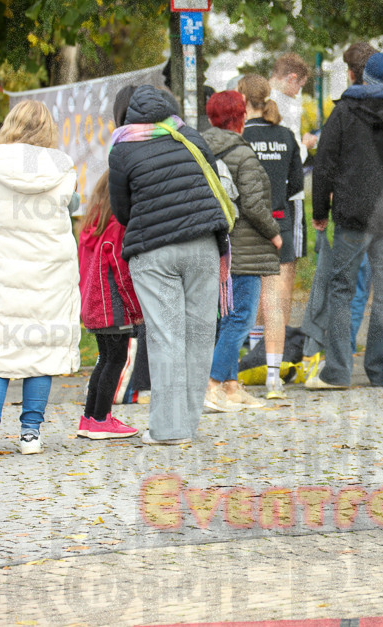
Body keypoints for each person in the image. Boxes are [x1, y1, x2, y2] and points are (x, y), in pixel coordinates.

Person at [108, 84, 231, 446]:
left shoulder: (123, 147)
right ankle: (187, 425)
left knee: (166, 337)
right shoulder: (189, 137)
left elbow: (122, 211)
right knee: (198, 336)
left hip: (154, 252)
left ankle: (167, 430)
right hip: (203, 247)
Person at [307, 51, 383, 389]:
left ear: (363, 77)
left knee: (342, 290)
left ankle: (338, 372)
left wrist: (319, 213)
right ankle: (378, 370)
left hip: (352, 218)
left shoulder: (342, 113)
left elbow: (324, 165)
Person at [0, 101, 81, 459]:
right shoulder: (64, 167)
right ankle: (30, 434)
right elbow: (73, 205)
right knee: (40, 351)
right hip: (49, 274)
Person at [203, 90, 282, 408]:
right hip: (247, 246)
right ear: (241, 118)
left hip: (220, 243)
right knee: (242, 317)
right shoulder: (242, 154)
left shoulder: (205, 149)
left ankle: (232, 386)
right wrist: (274, 233)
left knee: (228, 316)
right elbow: (253, 203)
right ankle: (210, 383)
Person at [237, 75, 303, 399]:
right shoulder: (287, 136)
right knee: (274, 304)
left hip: (247, 227)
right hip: (281, 223)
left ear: (243, 99)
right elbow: (297, 188)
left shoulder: (240, 137)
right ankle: (273, 378)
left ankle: (247, 364)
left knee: (247, 300)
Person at [77, 171, 142, 439]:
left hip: (93, 306)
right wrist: (136, 309)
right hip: (113, 307)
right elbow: (122, 271)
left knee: (104, 359)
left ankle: (91, 417)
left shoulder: (91, 225)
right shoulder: (117, 226)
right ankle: (101, 419)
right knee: (116, 359)